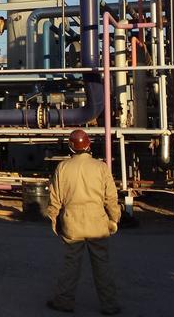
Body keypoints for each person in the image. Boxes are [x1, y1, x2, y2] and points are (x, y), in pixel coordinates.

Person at [45, 129, 121, 315]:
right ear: (88, 145)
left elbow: (55, 199)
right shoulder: (101, 167)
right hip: (97, 222)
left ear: (71, 147)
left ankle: (64, 301)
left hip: (72, 222)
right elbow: (111, 198)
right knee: (102, 264)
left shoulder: (62, 168)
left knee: (71, 265)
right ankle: (109, 304)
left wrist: (54, 219)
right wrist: (114, 218)